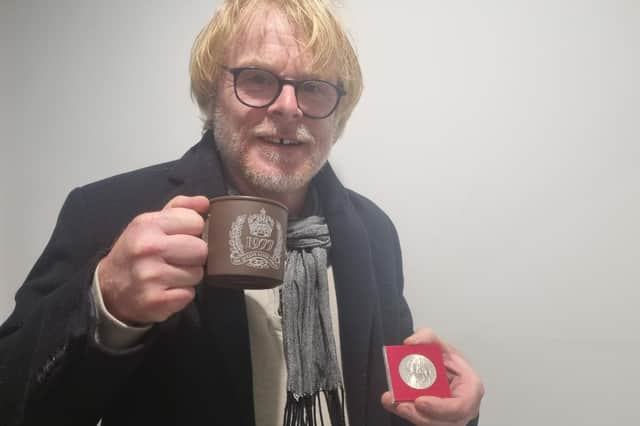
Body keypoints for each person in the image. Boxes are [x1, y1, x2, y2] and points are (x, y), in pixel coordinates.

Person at [0, 0, 484, 425]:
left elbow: (383, 397)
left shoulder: (373, 231)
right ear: (214, 94)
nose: (288, 107)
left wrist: (449, 413)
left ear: (339, 112)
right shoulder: (112, 212)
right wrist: (105, 302)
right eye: (257, 79)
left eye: (314, 88)